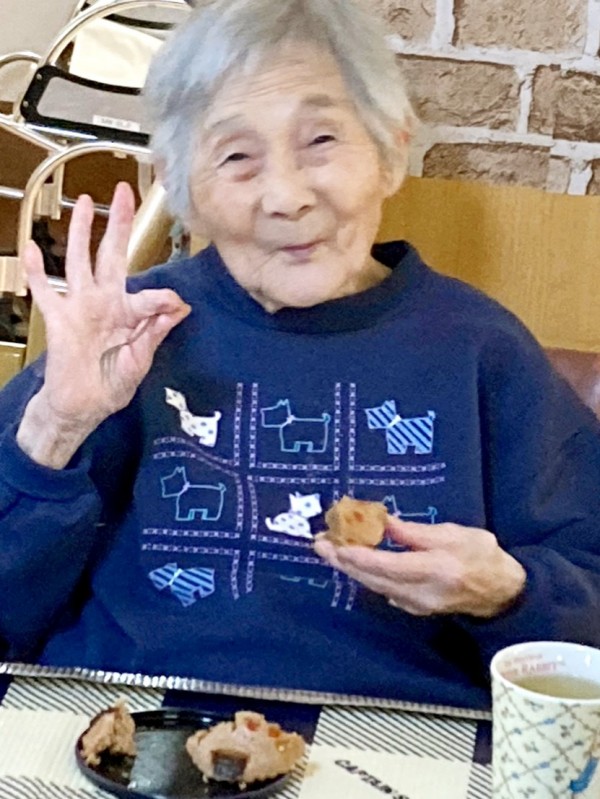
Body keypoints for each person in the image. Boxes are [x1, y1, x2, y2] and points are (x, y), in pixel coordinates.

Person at [0, 0, 599, 714]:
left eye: (320, 140)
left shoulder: (482, 349)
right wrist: (56, 426)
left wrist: (507, 592)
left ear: (391, 151)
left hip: (396, 737)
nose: (286, 196)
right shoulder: (129, 332)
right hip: (122, 722)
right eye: (236, 157)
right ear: (184, 189)